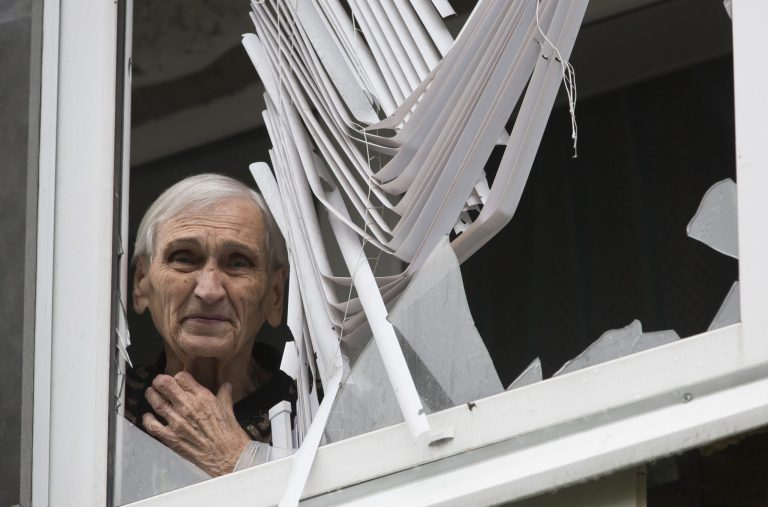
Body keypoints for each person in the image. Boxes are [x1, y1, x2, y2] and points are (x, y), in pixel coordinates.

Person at [124, 173, 295, 477]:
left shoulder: (323, 408)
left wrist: (235, 460)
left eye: (238, 262)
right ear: (141, 283)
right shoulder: (110, 415)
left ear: (274, 295)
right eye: (184, 258)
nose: (209, 290)